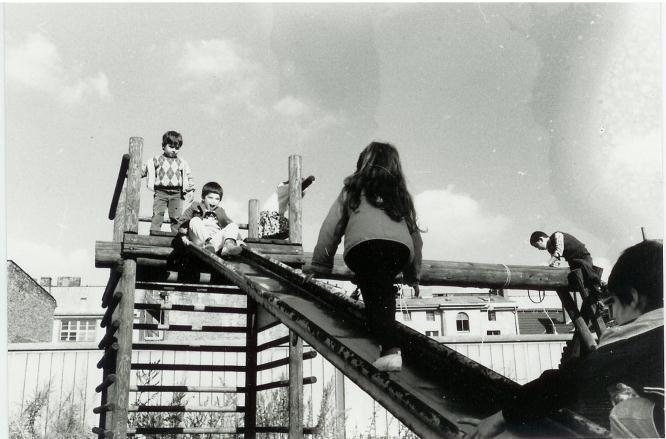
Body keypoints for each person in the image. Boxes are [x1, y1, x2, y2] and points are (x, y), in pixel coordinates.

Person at [465, 240, 664, 438]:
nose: (612, 315)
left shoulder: (637, 335)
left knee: (625, 413)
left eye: (612, 302)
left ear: (633, 297)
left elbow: (568, 382)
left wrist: (502, 416)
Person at [309, 141, 423, 372]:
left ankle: (391, 350)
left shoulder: (352, 189)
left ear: (363, 164)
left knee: (374, 295)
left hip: (364, 248)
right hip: (399, 249)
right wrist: (413, 275)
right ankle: (389, 348)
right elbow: (416, 238)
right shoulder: (400, 194)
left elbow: (331, 226)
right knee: (382, 288)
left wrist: (320, 264)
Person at [142, 131, 195, 233]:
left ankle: (176, 235)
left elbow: (188, 176)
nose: (174, 150)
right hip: (161, 192)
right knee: (158, 213)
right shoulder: (156, 160)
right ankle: (155, 232)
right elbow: (145, 169)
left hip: (176, 193)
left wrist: (191, 190)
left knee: (176, 216)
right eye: (171, 147)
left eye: (177, 148)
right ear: (163, 146)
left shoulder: (182, 162)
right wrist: (133, 173)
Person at [176, 181, 242, 257]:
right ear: (203, 197)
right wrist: (183, 236)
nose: (213, 201)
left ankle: (228, 246)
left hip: (214, 244)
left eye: (217, 199)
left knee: (233, 225)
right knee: (195, 220)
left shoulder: (220, 211)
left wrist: (239, 240)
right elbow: (182, 221)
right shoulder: (195, 206)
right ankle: (208, 243)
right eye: (210, 198)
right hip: (198, 241)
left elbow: (230, 227)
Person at [530, 230, 602, 294]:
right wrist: (552, 266)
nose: (538, 249)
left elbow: (559, 251)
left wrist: (547, 263)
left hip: (582, 255)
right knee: (579, 280)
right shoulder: (550, 249)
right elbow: (556, 261)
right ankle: (597, 290)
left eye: (537, 246)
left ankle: (600, 285)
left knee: (588, 274)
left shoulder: (557, 236)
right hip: (572, 260)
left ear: (540, 239)